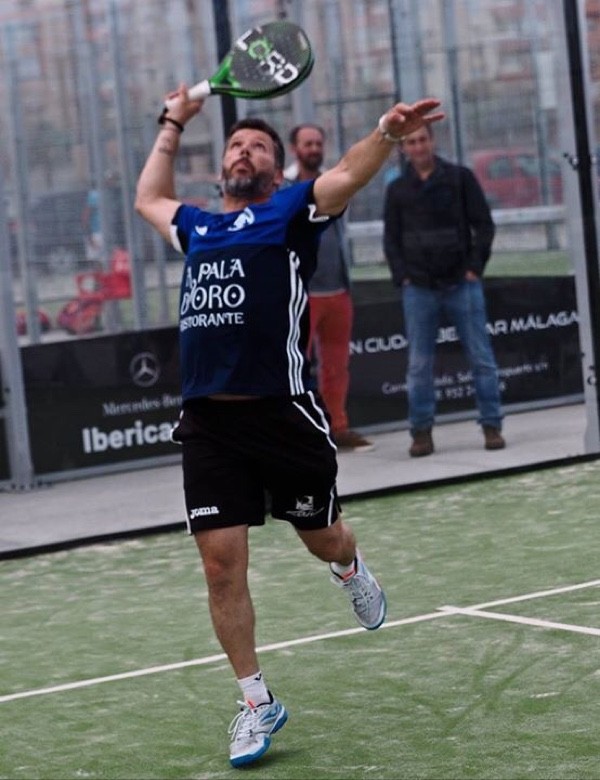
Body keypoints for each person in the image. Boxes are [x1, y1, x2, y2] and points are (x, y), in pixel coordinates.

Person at [135, 87, 443, 768]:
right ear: (223, 166)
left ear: (276, 170)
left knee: (324, 538)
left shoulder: (291, 211)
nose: (244, 151)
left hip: (283, 416)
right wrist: (173, 122)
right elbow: (148, 198)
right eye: (235, 145)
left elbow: (348, 174)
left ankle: (349, 567)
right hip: (208, 423)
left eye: (257, 147)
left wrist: (387, 132)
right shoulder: (199, 227)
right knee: (220, 567)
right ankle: (256, 702)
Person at [383, 125, 505, 457]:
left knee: (481, 359)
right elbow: (391, 239)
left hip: (462, 284)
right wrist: (403, 276)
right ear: (403, 148)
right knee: (419, 365)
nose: (418, 146)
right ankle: (421, 432)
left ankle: (492, 424)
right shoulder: (397, 189)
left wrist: (474, 268)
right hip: (418, 288)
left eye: (423, 139)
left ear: (432, 141)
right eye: (411, 141)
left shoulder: (461, 178)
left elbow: (484, 226)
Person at [285, 123, 373, 452]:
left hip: (337, 290)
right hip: (302, 294)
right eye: (307, 143)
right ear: (294, 149)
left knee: (336, 367)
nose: (313, 149)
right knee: (295, 369)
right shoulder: (284, 188)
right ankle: (300, 432)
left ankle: (338, 428)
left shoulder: (333, 181)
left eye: (317, 143)